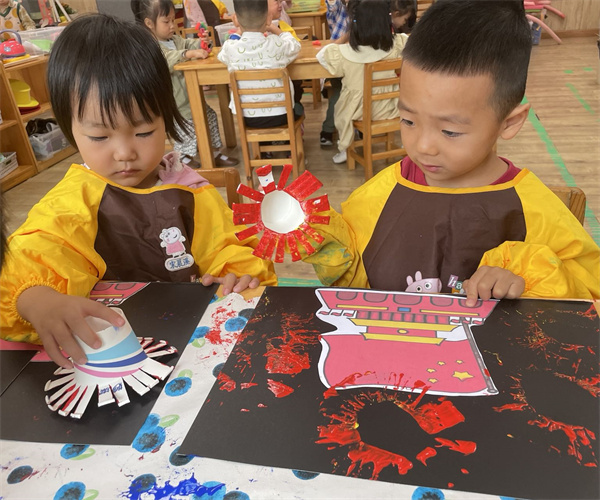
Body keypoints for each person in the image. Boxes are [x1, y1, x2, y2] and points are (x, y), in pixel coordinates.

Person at [0, 14, 276, 368]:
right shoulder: (74, 201)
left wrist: (238, 273)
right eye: (99, 136)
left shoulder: (190, 192)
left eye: (144, 132)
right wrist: (34, 298)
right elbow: (36, 252)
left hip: (193, 345)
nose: (124, 153)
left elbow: (225, 247)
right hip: (108, 356)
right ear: (70, 129)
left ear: (166, 117)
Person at [301, 0, 600, 303]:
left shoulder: (533, 209)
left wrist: (528, 277)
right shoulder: (382, 191)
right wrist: (321, 237)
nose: (423, 146)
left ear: (509, 123)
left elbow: (588, 297)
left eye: (450, 131)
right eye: (408, 120)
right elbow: (353, 276)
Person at [132, 0, 238, 167]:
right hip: (175, 102)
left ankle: (214, 152)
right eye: (166, 21)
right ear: (149, 23)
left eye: (173, 20)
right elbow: (166, 58)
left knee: (209, 116)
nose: (172, 25)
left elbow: (188, 44)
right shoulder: (150, 46)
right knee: (185, 128)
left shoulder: (174, 39)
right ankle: (182, 157)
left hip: (191, 96)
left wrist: (202, 43)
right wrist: (188, 54)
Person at [316, 0, 407, 164]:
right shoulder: (396, 45)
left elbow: (321, 55)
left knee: (341, 109)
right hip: (390, 108)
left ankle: (345, 148)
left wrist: (345, 36)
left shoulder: (344, 53)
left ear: (355, 25)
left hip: (356, 111)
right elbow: (410, 42)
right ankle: (403, 146)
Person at [218, 0, 301, 128]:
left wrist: (238, 32)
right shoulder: (276, 44)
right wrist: (274, 28)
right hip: (281, 114)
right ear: (269, 18)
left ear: (236, 20)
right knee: (299, 108)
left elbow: (222, 54)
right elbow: (295, 45)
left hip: (247, 118)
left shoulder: (230, 48)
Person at [319, 0, 349, 149]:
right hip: (340, 56)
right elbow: (332, 5)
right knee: (339, 90)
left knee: (345, 90)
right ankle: (329, 129)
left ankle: (330, 130)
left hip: (357, 56)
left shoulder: (363, 8)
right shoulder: (338, 7)